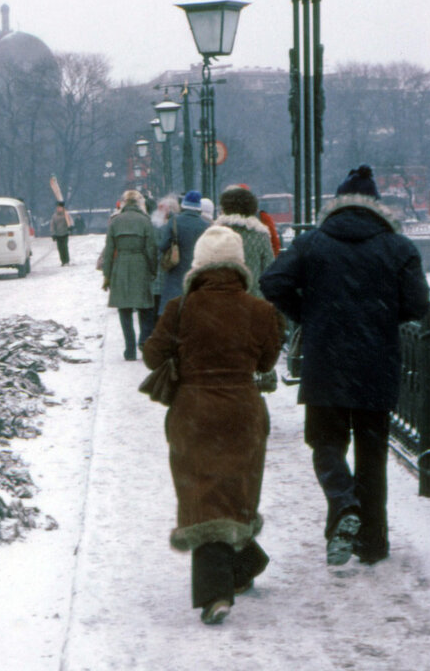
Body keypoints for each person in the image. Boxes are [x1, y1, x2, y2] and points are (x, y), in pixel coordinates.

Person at [260, 164, 429, 566]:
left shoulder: (313, 242)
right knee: (372, 453)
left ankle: (343, 502)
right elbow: (419, 305)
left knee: (326, 443)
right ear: (377, 207)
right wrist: (383, 317)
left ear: (336, 204)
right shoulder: (398, 246)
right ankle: (373, 543)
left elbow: (272, 282)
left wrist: (308, 313)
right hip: (377, 360)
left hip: (326, 359)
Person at [143, 225, 285, 625]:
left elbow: (154, 357)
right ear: (240, 265)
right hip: (243, 411)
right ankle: (245, 564)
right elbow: (267, 363)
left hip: (194, 412)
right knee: (235, 491)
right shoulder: (260, 310)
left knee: (204, 495)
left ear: (198, 265)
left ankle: (215, 594)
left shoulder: (180, 308)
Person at [101, 190, 157, 361]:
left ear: (124, 202)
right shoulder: (146, 221)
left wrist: (107, 275)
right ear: (139, 203)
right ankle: (143, 342)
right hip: (141, 264)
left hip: (121, 265)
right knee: (144, 308)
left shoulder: (115, 222)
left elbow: (109, 251)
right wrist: (153, 269)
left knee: (124, 309)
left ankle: (130, 349)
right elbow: (151, 249)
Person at [213, 187, 274, 298]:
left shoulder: (216, 233)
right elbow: (269, 270)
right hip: (252, 300)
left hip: (221, 298)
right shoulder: (260, 235)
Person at [158, 190, 211, 315]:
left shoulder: (174, 221)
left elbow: (163, 246)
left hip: (176, 272)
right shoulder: (206, 225)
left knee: (174, 311)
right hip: (197, 273)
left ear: (184, 204)